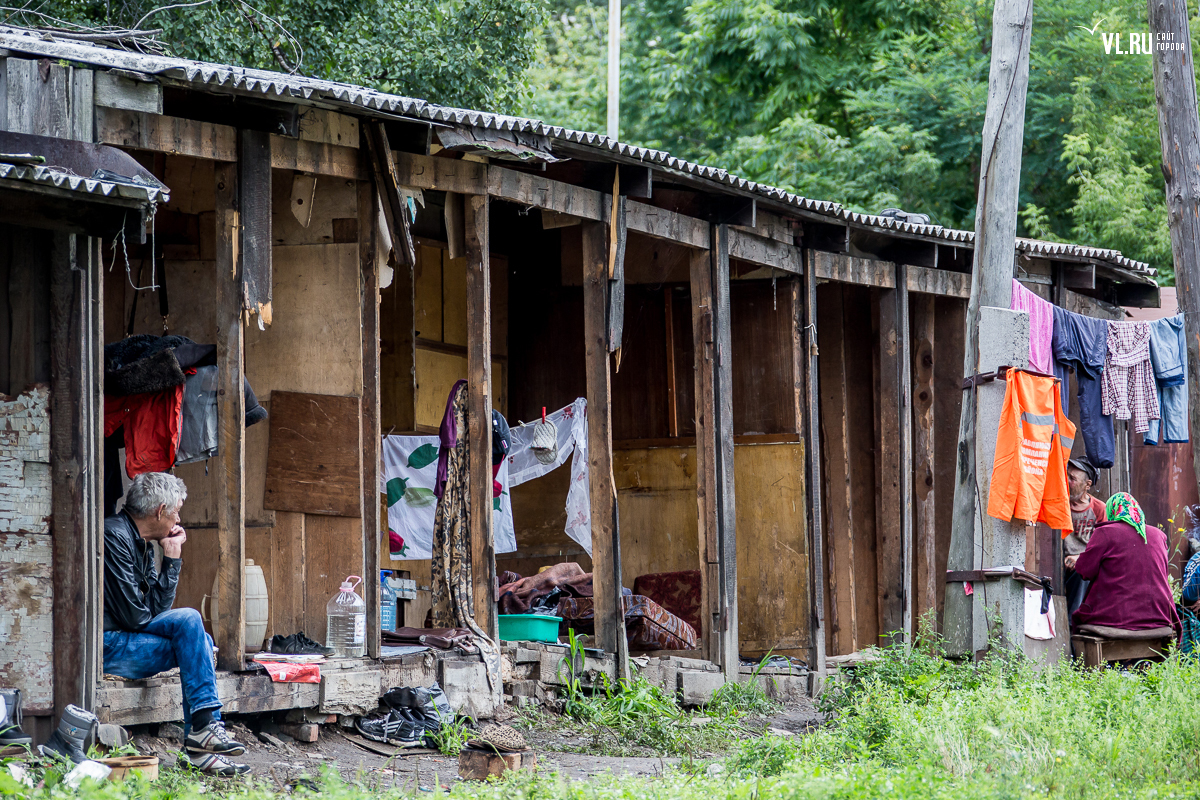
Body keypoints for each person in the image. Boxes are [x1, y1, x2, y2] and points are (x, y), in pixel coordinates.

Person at [102, 472, 249, 776]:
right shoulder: (113, 535)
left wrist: (171, 558)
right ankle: (203, 732)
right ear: (160, 511)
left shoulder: (141, 541)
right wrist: (169, 569)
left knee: (200, 641)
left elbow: (154, 611)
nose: (178, 519)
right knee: (192, 622)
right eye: (177, 511)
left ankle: (200, 741)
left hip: (129, 641)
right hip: (110, 646)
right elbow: (136, 618)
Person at [1071, 492, 1180, 636]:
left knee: (1077, 619)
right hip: (1160, 616)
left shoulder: (1105, 532)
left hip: (1113, 618)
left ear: (1112, 511)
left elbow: (1083, 571)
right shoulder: (1159, 535)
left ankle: (1074, 658)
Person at [1063, 457, 1106, 616]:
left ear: (1087, 485)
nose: (1067, 480)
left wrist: (1081, 557)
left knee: (1082, 573)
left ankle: (1073, 623)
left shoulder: (1098, 508)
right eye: (1066, 475)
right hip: (1062, 562)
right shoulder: (1060, 505)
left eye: (1072, 478)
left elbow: (1103, 546)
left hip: (1085, 562)